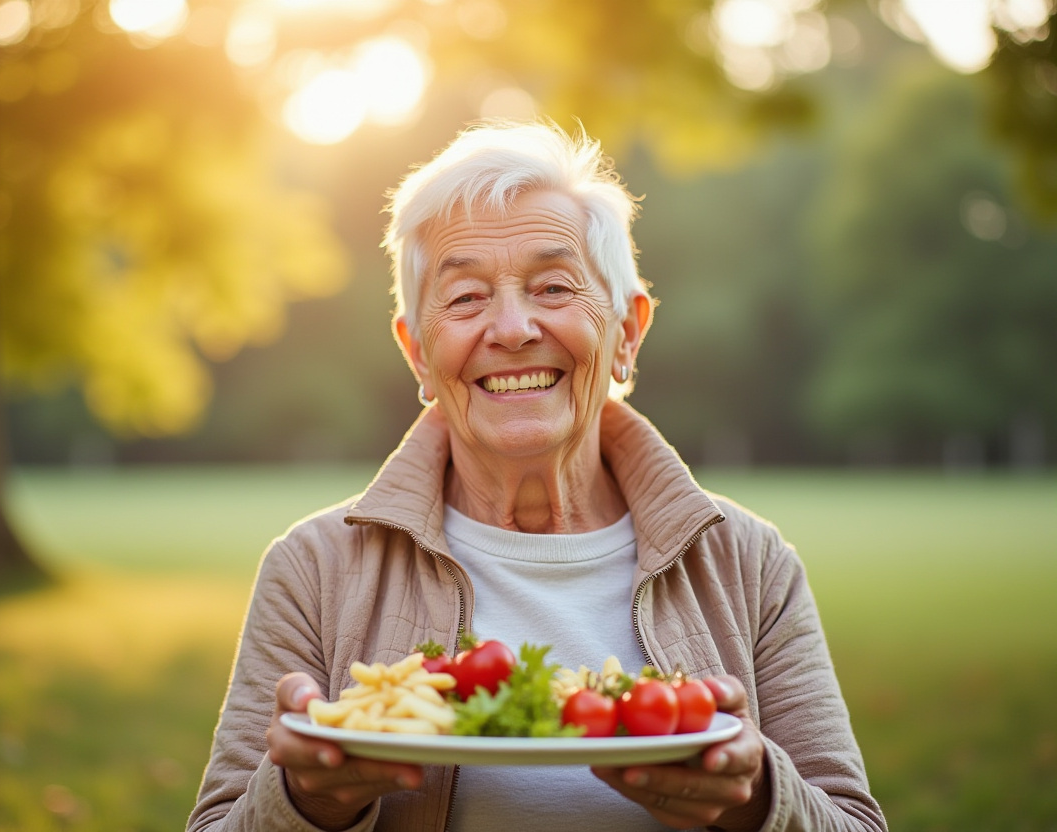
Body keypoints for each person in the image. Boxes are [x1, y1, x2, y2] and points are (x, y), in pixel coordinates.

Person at [188, 121, 887, 832]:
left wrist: (759, 798)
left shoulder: (749, 563)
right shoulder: (313, 569)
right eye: (465, 298)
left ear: (627, 333)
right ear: (419, 353)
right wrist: (306, 803)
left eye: (554, 286)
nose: (513, 327)